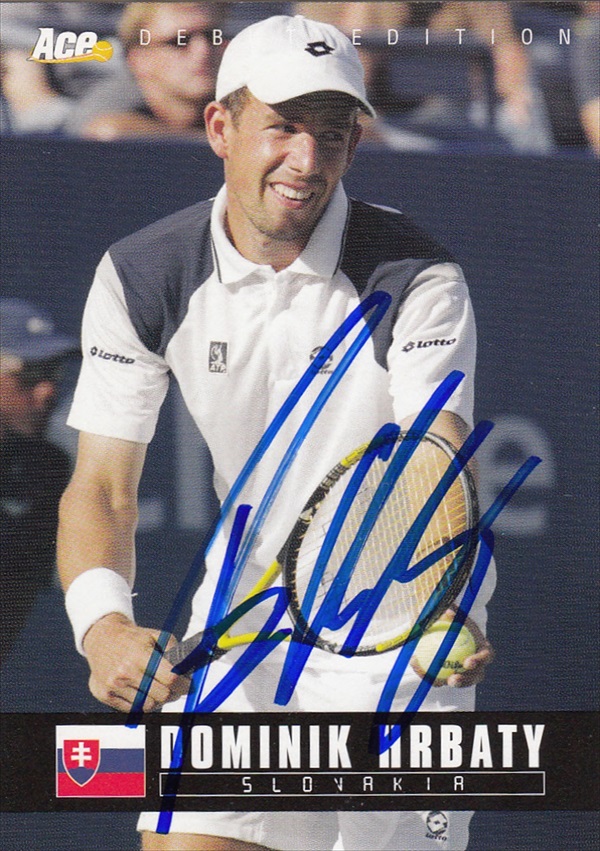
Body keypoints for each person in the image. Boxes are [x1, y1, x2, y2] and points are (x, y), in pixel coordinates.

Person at [58, 14, 495, 851]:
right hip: (244, 622)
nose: (306, 159)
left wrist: (434, 595)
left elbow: (434, 452)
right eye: (283, 127)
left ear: (355, 146)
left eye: (331, 135)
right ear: (220, 129)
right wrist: (103, 625)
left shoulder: (417, 274)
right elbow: (102, 486)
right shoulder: (141, 274)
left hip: (400, 628)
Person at [1, 298, 78, 664]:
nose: (48, 390)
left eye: (53, 372)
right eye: (29, 373)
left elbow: (14, 605)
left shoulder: (47, 468)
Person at [80, 2, 227, 141]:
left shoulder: (232, 97)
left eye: (212, 37)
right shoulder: (112, 102)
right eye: (179, 41)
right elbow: (107, 131)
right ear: (138, 58)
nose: (203, 51)